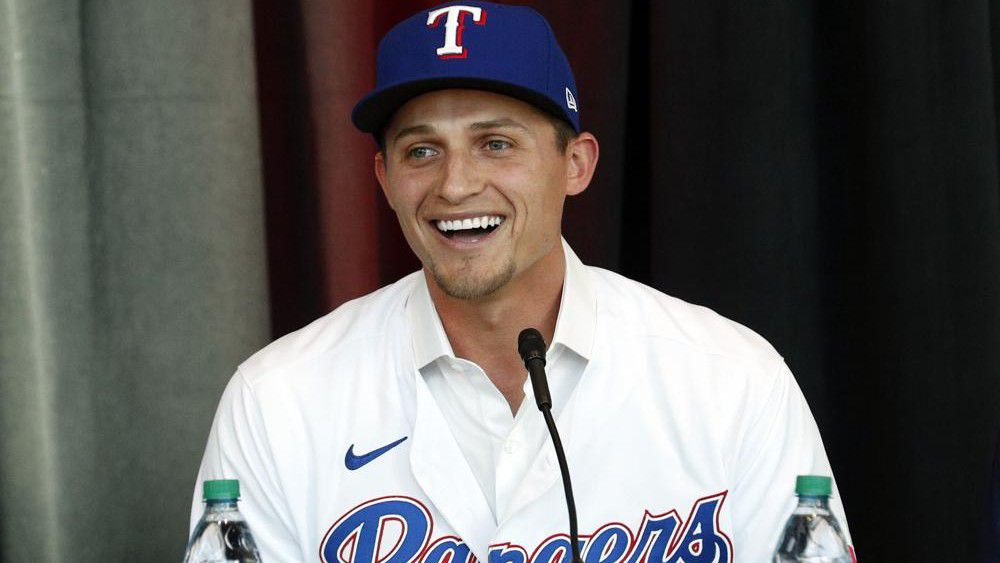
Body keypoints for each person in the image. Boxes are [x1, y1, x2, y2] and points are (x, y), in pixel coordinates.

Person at [190, 2, 853, 562]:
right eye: (422, 151)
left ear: (576, 164)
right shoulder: (277, 401)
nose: (455, 185)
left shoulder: (733, 382)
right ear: (386, 180)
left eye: (496, 143)